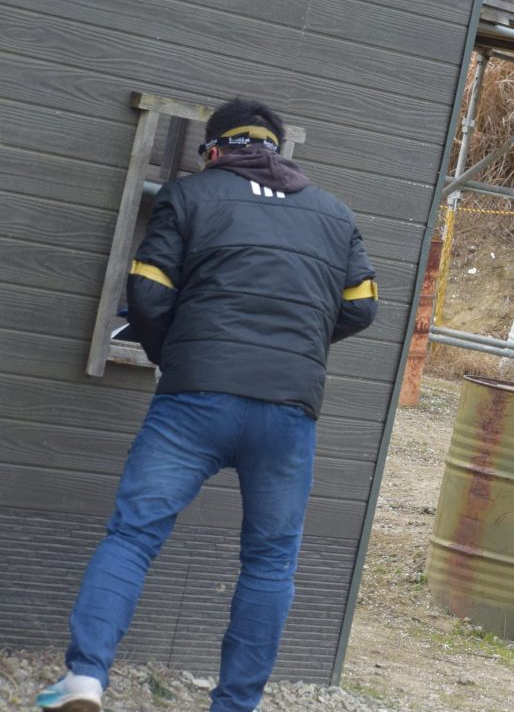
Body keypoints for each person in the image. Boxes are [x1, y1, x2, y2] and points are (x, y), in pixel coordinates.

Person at [37, 99, 378, 712]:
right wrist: (292, 345)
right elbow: (361, 307)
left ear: (215, 148)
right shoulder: (335, 212)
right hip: (287, 410)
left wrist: (179, 355)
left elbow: (147, 292)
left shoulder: (188, 196)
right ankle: (235, 706)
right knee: (270, 563)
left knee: (133, 537)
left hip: (194, 402)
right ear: (275, 147)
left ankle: (85, 678)